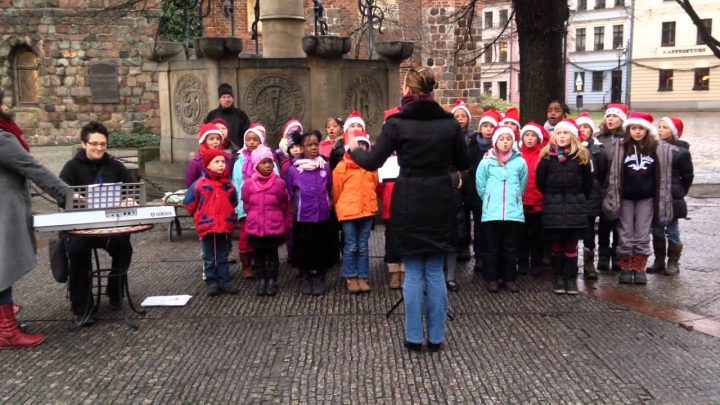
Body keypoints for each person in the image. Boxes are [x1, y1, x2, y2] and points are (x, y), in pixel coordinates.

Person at [347, 68, 469, 352]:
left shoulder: (396, 123)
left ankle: (414, 336)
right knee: (435, 272)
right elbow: (463, 160)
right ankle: (436, 337)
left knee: (413, 270)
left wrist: (353, 147)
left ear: (408, 90)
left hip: (410, 199)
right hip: (440, 197)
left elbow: (372, 161)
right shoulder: (449, 123)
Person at [0, 89, 67, 348]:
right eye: (2, 102)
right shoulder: (3, 138)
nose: (7, 105)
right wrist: (66, 194)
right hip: (4, 209)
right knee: (4, 266)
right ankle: (7, 331)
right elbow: (32, 167)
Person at [59, 122, 136, 325]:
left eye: (103, 144)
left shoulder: (116, 166)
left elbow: (131, 190)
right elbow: (60, 195)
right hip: (80, 227)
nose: (99, 148)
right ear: (84, 143)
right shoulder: (71, 167)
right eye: (94, 144)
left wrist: (129, 199)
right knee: (77, 252)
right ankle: (83, 308)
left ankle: (114, 291)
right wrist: (73, 197)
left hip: (109, 226)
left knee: (124, 248)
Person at [603, 112, 674, 285]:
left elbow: (663, 175)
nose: (637, 132)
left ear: (647, 130)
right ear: (629, 129)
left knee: (642, 233)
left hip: (646, 198)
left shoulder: (655, 149)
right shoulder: (621, 147)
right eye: (634, 128)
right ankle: (626, 266)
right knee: (626, 232)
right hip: (625, 198)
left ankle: (639, 266)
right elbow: (614, 174)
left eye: (641, 128)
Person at [536, 119, 593, 295]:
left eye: (566, 133)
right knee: (556, 245)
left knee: (571, 245)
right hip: (553, 207)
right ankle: (558, 278)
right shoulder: (547, 158)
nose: (562, 136)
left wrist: (578, 199)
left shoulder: (581, 157)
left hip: (574, 207)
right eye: (559, 133)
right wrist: (552, 197)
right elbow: (540, 182)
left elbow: (588, 184)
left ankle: (571, 278)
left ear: (573, 137)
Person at [475, 125, 528, 293]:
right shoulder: (486, 162)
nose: (505, 143)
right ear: (495, 142)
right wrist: (489, 200)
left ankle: (509, 278)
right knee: (492, 247)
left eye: (508, 139)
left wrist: (515, 199)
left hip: (513, 213)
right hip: (492, 212)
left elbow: (522, 184)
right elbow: (481, 185)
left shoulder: (520, 162)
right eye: (502, 139)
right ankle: (492, 278)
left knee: (510, 247)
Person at [286, 130, 335, 296]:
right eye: (309, 145)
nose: (314, 148)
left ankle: (320, 276)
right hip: (303, 215)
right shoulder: (294, 170)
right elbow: (290, 192)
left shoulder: (325, 166)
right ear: (301, 148)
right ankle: (305, 276)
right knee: (303, 246)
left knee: (321, 245)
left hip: (321, 215)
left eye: (316, 144)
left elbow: (329, 186)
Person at [184, 148, 239, 296]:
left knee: (223, 255)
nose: (221, 165)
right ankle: (211, 282)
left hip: (224, 225)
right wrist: (198, 215)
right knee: (208, 257)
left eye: (223, 162)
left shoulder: (229, 185)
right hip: (207, 225)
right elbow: (189, 202)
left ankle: (224, 281)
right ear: (208, 165)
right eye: (217, 162)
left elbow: (233, 201)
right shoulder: (199, 184)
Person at [332, 126, 378, 294]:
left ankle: (363, 276)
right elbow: (336, 190)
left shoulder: (371, 167)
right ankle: (351, 276)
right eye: (357, 145)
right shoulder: (341, 167)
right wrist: (340, 207)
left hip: (366, 210)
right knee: (351, 245)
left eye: (363, 146)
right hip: (348, 212)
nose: (360, 149)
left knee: (363, 245)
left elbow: (374, 184)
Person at [242, 146, 290, 296]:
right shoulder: (249, 184)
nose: (268, 165)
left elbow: (283, 203)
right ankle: (261, 280)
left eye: (270, 162)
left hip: (273, 226)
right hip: (256, 226)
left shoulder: (279, 183)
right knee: (259, 256)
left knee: (272, 255)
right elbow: (246, 203)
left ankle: (272, 281)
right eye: (263, 162)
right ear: (256, 165)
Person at [649, 116, 693, 275]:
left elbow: (688, 176)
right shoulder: (652, 148)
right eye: (659, 127)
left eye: (665, 127)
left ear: (674, 131)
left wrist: (680, 191)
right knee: (657, 231)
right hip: (656, 196)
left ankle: (673, 261)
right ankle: (659, 260)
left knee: (672, 230)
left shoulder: (681, 153)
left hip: (673, 197)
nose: (660, 130)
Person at [462, 109, 503, 274]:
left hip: (492, 193)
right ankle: (478, 256)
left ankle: (488, 257)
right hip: (474, 191)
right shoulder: (472, 144)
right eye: (484, 126)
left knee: (487, 227)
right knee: (478, 226)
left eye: (490, 126)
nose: (487, 129)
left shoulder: (499, 146)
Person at [596, 103, 629, 271]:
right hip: (604, 187)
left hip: (622, 188)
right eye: (608, 116)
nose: (610, 119)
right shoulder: (600, 138)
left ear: (622, 120)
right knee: (604, 223)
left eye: (615, 116)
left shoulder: (628, 139)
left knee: (619, 223)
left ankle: (617, 252)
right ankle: (603, 253)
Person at [575, 113, 608, 280]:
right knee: (572, 229)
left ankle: (589, 263)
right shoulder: (570, 147)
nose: (583, 130)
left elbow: (602, 174)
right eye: (580, 127)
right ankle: (571, 261)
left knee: (588, 229)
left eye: (586, 127)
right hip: (574, 194)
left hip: (591, 195)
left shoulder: (598, 151)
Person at [232, 124, 267, 279]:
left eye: (255, 139)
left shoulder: (267, 159)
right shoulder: (239, 162)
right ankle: (247, 264)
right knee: (245, 235)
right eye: (249, 139)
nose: (252, 142)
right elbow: (236, 183)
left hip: (263, 205)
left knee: (262, 235)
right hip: (245, 206)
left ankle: (261, 262)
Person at [518, 122, 548, 276]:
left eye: (533, 136)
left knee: (538, 236)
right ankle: (522, 262)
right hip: (521, 203)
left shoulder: (543, 155)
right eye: (527, 135)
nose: (529, 139)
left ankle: (536, 262)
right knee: (522, 235)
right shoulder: (517, 154)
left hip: (538, 202)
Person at [450, 99, 473, 262]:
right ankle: (456, 243)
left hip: (469, 178)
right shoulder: (449, 137)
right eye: (456, 116)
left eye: (462, 116)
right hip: (454, 178)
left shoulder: (472, 138)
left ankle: (465, 244)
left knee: (467, 211)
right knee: (457, 213)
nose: (459, 118)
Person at [204, 83, 250, 151]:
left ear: (232, 99)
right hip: (216, 153)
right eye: (224, 97)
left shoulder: (240, 114)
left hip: (237, 152)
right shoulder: (212, 115)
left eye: (229, 97)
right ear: (219, 99)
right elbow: (205, 134)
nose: (227, 99)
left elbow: (248, 133)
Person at [186, 123, 231, 187]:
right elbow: (190, 185)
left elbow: (228, 179)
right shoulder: (196, 162)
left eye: (218, 139)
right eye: (211, 139)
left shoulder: (225, 158)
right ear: (204, 141)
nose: (215, 142)